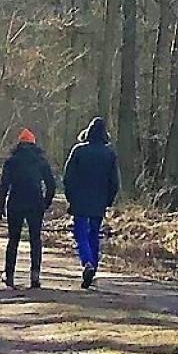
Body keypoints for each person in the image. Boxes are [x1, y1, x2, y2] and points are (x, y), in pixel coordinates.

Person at [0, 127, 57, 289]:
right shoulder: (41, 161)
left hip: (15, 202)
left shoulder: (12, 161)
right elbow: (51, 185)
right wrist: (45, 203)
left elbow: (4, 186)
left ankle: (9, 275)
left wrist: (0, 206)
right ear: (33, 143)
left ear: (19, 143)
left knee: (13, 240)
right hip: (35, 202)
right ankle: (35, 276)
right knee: (35, 240)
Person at [60, 117, 118, 289]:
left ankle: (87, 263)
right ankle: (92, 265)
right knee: (94, 234)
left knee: (80, 234)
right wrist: (108, 200)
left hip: (80, 201)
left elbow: (68, 177)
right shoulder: (109, 154)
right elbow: (114, 182)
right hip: (99, 202)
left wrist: (70, 197)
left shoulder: (78, 151)